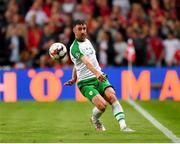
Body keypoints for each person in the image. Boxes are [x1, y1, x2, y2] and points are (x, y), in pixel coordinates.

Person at [64, 19, 134, 132]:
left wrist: (73, 77)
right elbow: (85, 62)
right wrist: (96, 73)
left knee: (112, 96)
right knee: (102, 105)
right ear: (74, 30)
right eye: (79, 29)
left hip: (99, 77)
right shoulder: (74, 48)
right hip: (86, 83)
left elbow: (76, 63)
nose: (82, 31)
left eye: (84, 28)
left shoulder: (88, 41)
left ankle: (123, 127)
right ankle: (95, 119)